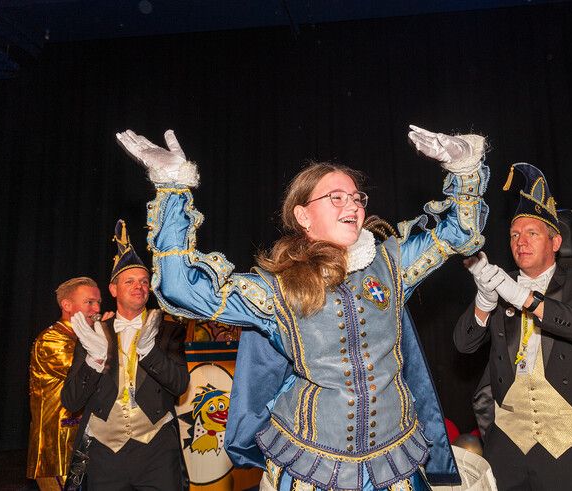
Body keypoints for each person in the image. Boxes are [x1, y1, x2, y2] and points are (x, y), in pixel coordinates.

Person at [115, 124, 490, 490]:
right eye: (336, 198)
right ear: (303, 216)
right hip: (313, 468)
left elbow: (460, 231)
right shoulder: (279, 289)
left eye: (357, 198)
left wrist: (465, 166)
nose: (353, 206)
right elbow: (181, 288)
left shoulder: (393, 263)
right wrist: (173, 184)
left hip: (394, 463)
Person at [453, 163, 572, 490]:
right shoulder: (500, 285)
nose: (521, 241)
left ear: (555, 242)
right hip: (509, 445)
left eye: (532, 233)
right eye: (515, 234)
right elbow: (464, 344)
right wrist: (485, 301)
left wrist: (528, 299)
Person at [61, 220, 189, 491]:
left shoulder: (168, 330)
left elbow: (179, 385)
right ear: (113, 289)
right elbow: (71, 401)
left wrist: (150, 352)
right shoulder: (93, 333)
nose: (139, 286)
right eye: (129, 281)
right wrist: (95, 359)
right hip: (104, 454)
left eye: (144, 281)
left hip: (157, 452)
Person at [27, 277, 108, 491]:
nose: (97, 308)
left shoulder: (86, 337)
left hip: (83, 444)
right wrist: (109, 340)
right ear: (67, 305)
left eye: (98, 302)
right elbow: (89, 373)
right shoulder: (52, 339)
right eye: (89, 302)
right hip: (59, 450)